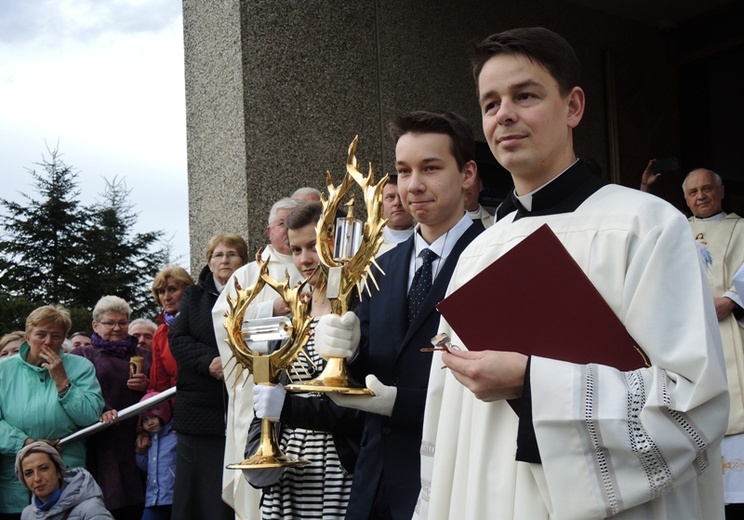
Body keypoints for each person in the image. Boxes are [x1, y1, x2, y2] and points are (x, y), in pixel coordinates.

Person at [411, 27, 728, 520]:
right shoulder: (480, 249)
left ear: (573, 107)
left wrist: (534, 381)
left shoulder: (644, 224)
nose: (504, 115)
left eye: (525, 95)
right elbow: (445, 417)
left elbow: (691, 405)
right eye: (490, 104)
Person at [314, 110, 485, 519]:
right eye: (403, 171)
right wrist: (346, 354)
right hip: (376, 484)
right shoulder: (381, 266)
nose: (414, 185)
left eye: (430, 168)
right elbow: (368, 367)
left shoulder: (492, 258)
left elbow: (491, 391)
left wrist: (398, 404)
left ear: (467, 175)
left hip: (453, 481)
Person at [242, 201, 364, 519]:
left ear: (337, 241)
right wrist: (258, 450)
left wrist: (287, 407)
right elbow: (264, 387)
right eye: (296, 250)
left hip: (339, 467)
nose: (305, 259)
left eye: (313, 246)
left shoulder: (363, 308)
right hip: (287, 472)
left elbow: (362, 408)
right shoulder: (290, 311)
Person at [211, 196, 303, 519]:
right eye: (282, 223)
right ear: (268, 230)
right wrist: (270, 310)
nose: (289, 229)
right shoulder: (248, 275)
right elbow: (225, 324)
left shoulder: (317, 265)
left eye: (296, 220)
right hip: (258, 392)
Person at [677, 167, 744, 518]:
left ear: (720, 192)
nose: (700, 196)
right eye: (692, 192)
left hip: (730, 328)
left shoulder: (740, 227)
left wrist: (732, 299)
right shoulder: (675, 232)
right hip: (688, 332)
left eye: (706, 189)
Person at [168, 234, 248, 520]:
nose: (224, 260)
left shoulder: (254, 292)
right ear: (209, 262)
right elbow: (178, 339)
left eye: (232, 254)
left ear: (243, 261)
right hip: (201, 411)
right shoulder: (194, 296)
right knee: (199, 496)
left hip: (241, 409)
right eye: (218, 255)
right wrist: (210, 361)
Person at [0, 305, 104, 519]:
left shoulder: (81, 367)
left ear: (64, 338)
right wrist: (27, 443)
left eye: (56, 336)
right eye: (41, 334)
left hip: (66, 474)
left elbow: (90, 416)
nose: (48, 342)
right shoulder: (4, 370)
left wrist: (62, 380)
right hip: (15, 479)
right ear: (27, 336)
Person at [70, 295, 151, 520]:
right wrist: (101, 408)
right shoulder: (81, 355)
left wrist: (147, 385)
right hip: (97, 437)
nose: (117, 328)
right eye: (110, 323)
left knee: (137, 502)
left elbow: (159, 391)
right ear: (95, 325)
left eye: (123, 322)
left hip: (134, 437)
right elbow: (73, 393)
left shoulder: (143, 354)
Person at [15, 441, 112, 520]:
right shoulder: (27, 514)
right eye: (28, 473)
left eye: (43, 468)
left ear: (59, 471)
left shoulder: (90, 508)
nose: (37, 478)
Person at [148, 266, 195, 393]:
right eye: (161, 292)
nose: (166, 297)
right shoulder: (161, 333)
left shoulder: (202, 320)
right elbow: (159, 382)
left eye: (172, 289)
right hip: (176, 403)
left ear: (186, 290)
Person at [134, 392, 177, 520]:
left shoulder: (175, 434)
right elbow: (146, 467)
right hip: (154, 498)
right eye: (145, 420)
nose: (150, 423)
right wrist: (140, 452)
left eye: (153, 417)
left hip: (175, 496)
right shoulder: (148, 440)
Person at [376, 176, 415, 256]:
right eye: (390, 197)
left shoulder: (427, 241)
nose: (397, 202)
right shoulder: (363, 245)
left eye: (402, 196)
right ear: (380, 206)